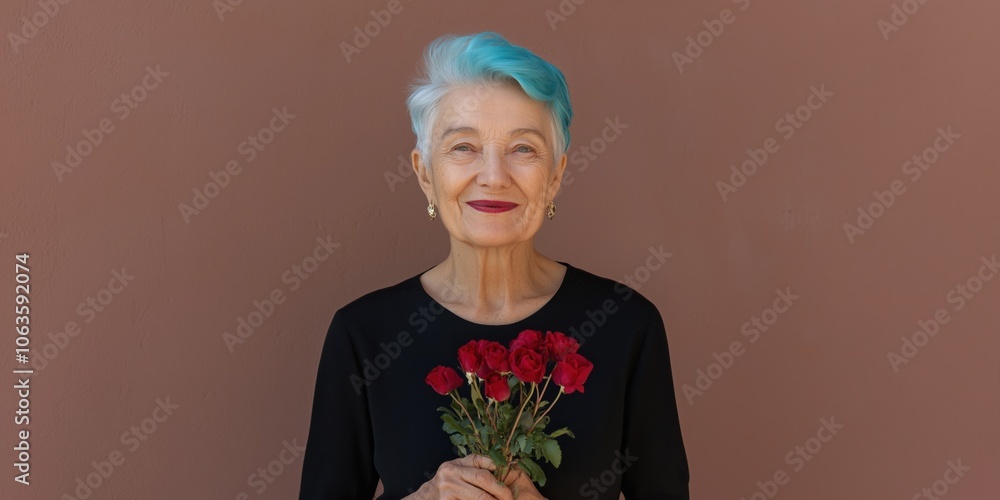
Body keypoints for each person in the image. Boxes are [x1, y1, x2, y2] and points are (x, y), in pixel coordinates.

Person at [298, 32, 689, 499]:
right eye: (463, 147)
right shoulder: (363, 334)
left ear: (556, 175)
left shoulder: (627, 325)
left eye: (523, 149)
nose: (494, 176)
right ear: (425, 173)